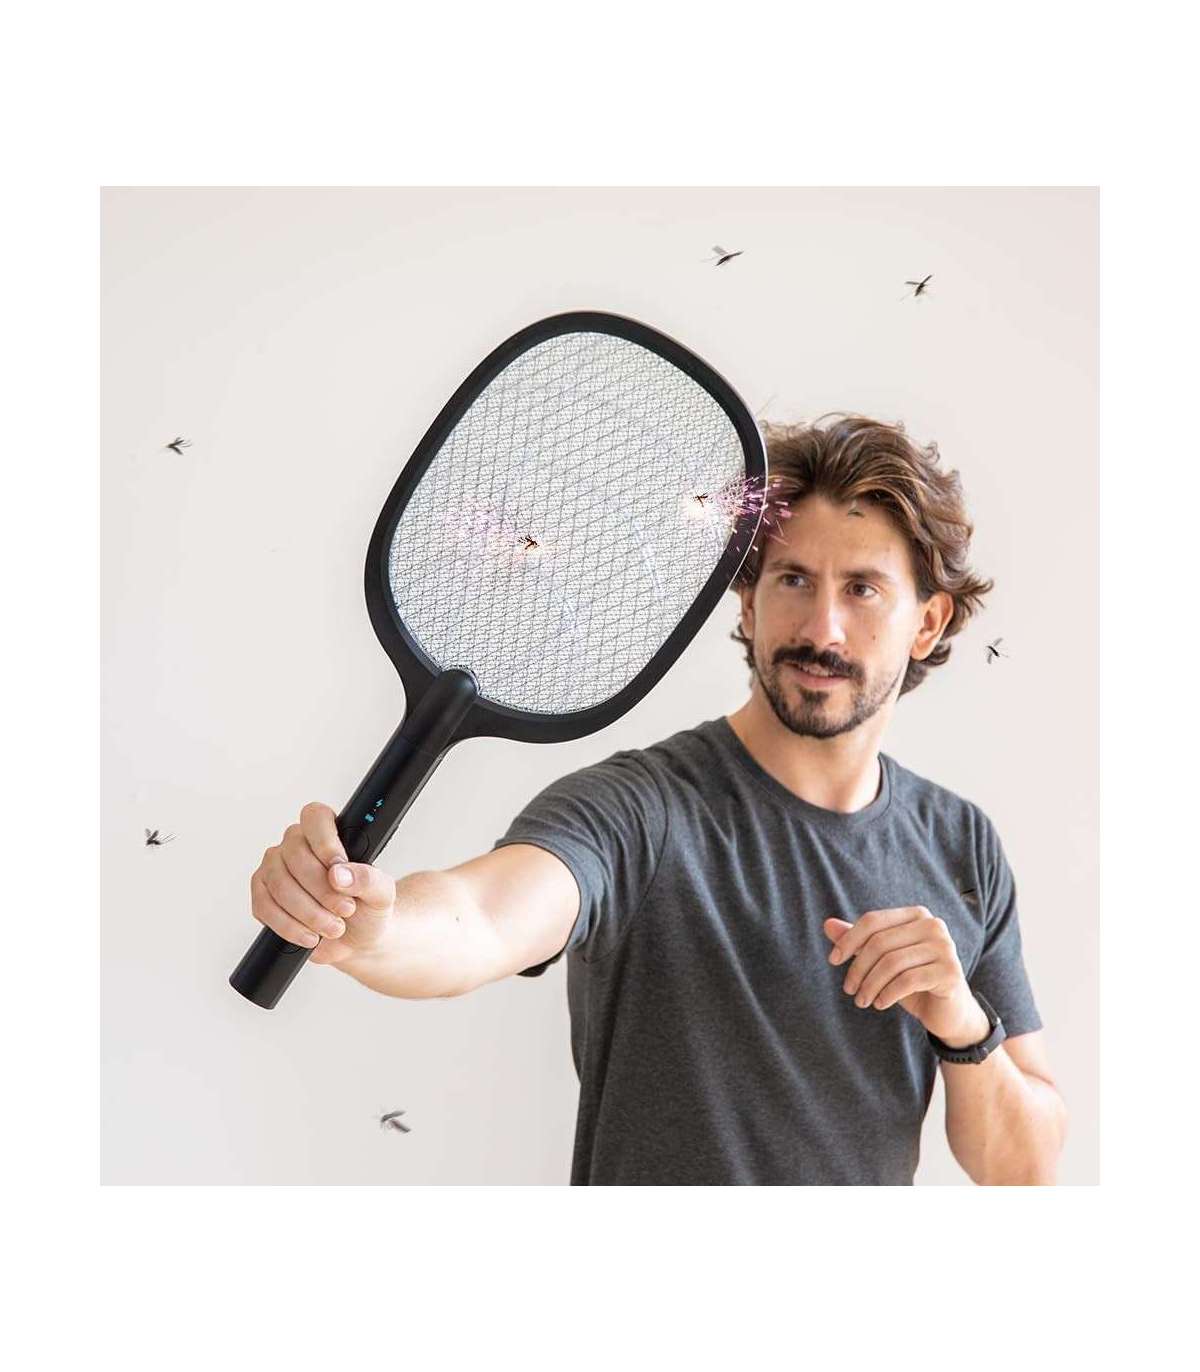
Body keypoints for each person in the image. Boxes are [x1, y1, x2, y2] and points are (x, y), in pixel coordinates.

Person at [248, 412, 1068, 1185]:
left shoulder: (961, 844)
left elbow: (1025, 1167)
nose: (822, 628)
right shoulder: (638, 809)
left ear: (928, 623)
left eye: (862, 589)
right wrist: (376, 930)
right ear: (748, 601)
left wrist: (963, 1023)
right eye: (792, 579)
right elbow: (484, 919)